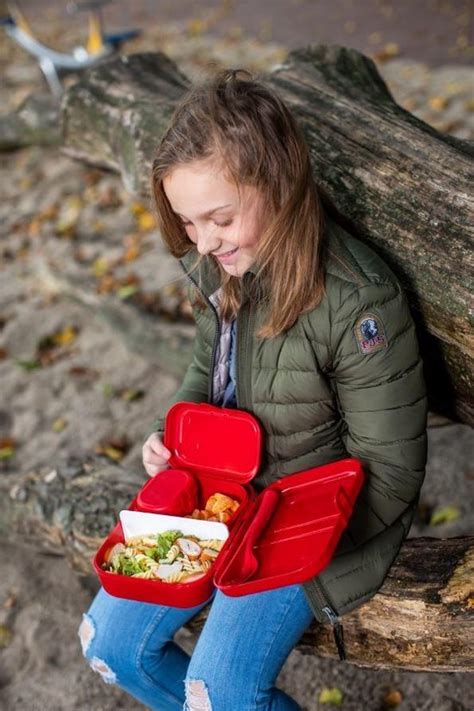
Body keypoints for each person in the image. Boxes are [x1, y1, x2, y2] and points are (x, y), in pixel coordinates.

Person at [79, 67, 428, 710]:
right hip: (218, 498)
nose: (204, 242)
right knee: (107, 645)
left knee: (218, 692)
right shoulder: (224, 265)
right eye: (187, 222)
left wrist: (275, 543)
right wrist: (174, 436)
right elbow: (205, 368)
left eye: (220, 218)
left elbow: (394, 469)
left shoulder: (358, 301)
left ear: (278, 185)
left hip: (306, 524)